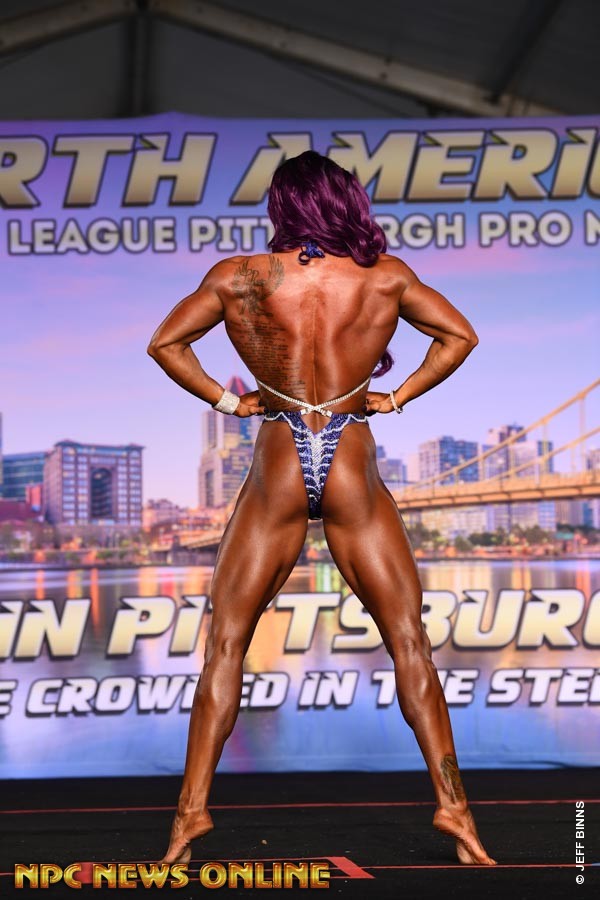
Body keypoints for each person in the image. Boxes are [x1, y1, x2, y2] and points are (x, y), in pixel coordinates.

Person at [146, 150, 496, 867]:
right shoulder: (384, 277)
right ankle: (455, 811)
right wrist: (395, 398)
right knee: (409, 642)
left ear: (282, 206)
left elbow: (165, 344)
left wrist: (228, 402)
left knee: (226, 646)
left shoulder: (239, 277)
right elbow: (460, 336)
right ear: (345, 204)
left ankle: (189, 818)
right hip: (349, 459)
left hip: (278, 458)